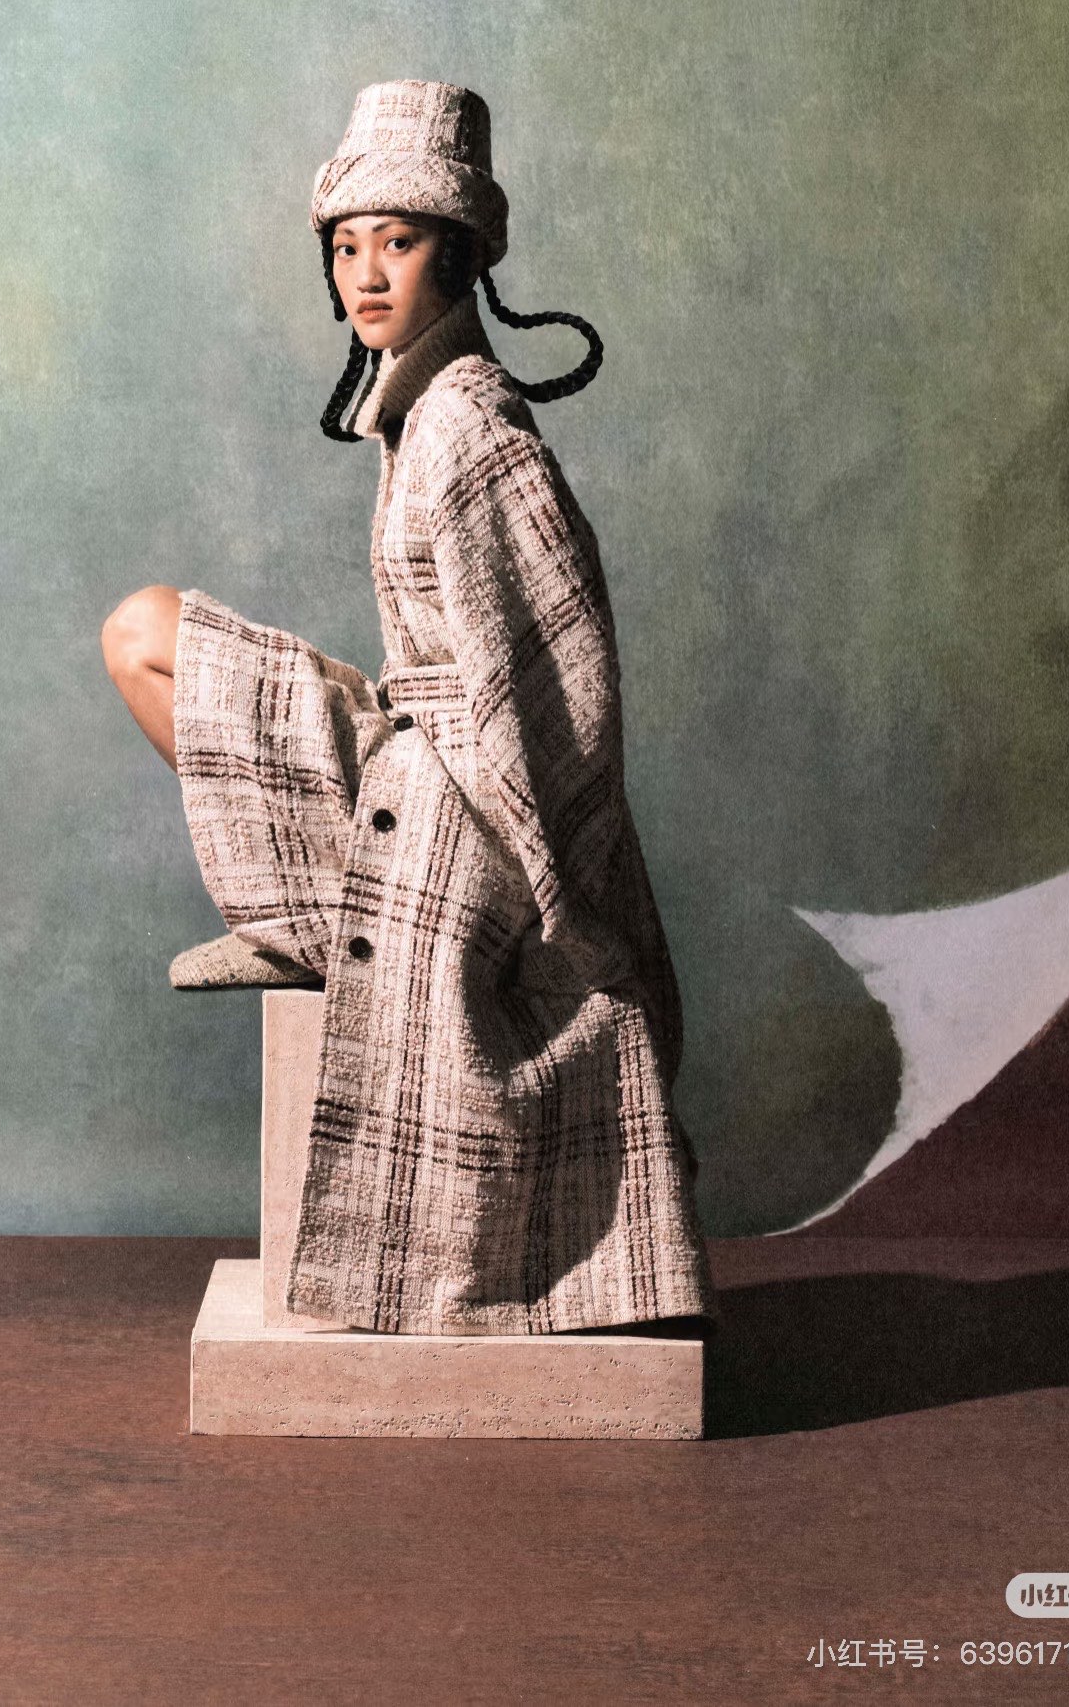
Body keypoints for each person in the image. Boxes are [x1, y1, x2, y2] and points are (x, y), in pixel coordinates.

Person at [102, 79, 717, 1336]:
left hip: (457, 810)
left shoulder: (476, 432)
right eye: (346, 246)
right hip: (412, 750)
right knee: (144, 632)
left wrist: (546, 896)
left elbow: (568, 684)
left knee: (145, 631)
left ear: (464, 253)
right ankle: (305, 911)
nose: (367, 275)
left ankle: (328, 910)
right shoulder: (418, 413)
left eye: (400, 241)